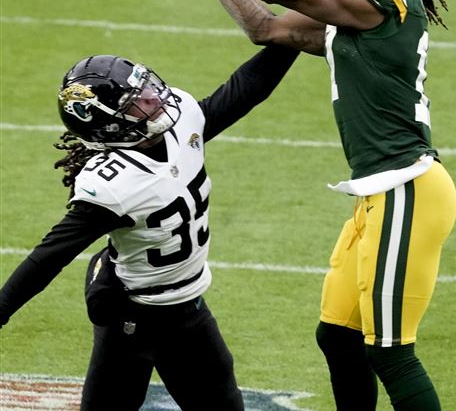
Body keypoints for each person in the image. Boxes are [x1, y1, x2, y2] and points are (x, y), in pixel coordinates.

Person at [177, 0, 456, 411]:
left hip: (407, 189)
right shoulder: (361, 15)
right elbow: (264, 25)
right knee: (337, 335)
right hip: (382, 193)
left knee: (392, 352)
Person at [0, 46, 299, 410]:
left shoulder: (182, 123)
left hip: (187, 308)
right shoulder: (114, 185)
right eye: (135, 101)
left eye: (145, 87)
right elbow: (49, 257)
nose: (153, 97)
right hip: (133, 317)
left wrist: (289, 38)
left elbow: (245, 89)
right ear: (111, 125)